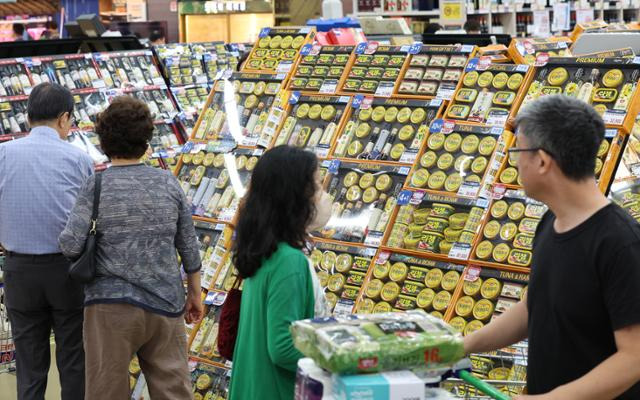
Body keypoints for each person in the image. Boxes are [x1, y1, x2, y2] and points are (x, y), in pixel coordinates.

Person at [464, 95, 640, 399]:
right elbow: (534, 307)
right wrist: (462, 345)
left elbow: (633, 358)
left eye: (518, 149)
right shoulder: (551, 221)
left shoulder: (620, 243)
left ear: (542, 161)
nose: (515, 160)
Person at [58, 96, 204, 399]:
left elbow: (71, 245)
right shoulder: (167, 182)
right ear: (147, 139)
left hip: (109, 306)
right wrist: (195, 293)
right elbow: (189, 246)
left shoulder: (95, 186)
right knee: (173, 390)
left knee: (106, 391)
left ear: (104, 140)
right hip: (165, 302)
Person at [0, 82, 93, 400]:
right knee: (74, 359)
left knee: (29, 363)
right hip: (67, 270)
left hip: (18, 269)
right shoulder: (79, 159)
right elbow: (89, 217)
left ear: (28, 118)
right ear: (64, 118)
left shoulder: (3, 154)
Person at [229, 145, 332, 400]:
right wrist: (340, 355)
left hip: (252, 386)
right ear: (295, 196)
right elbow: (283, 348)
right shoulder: (289, 262)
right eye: (317, 186)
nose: (322, 195)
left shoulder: (261, 250)